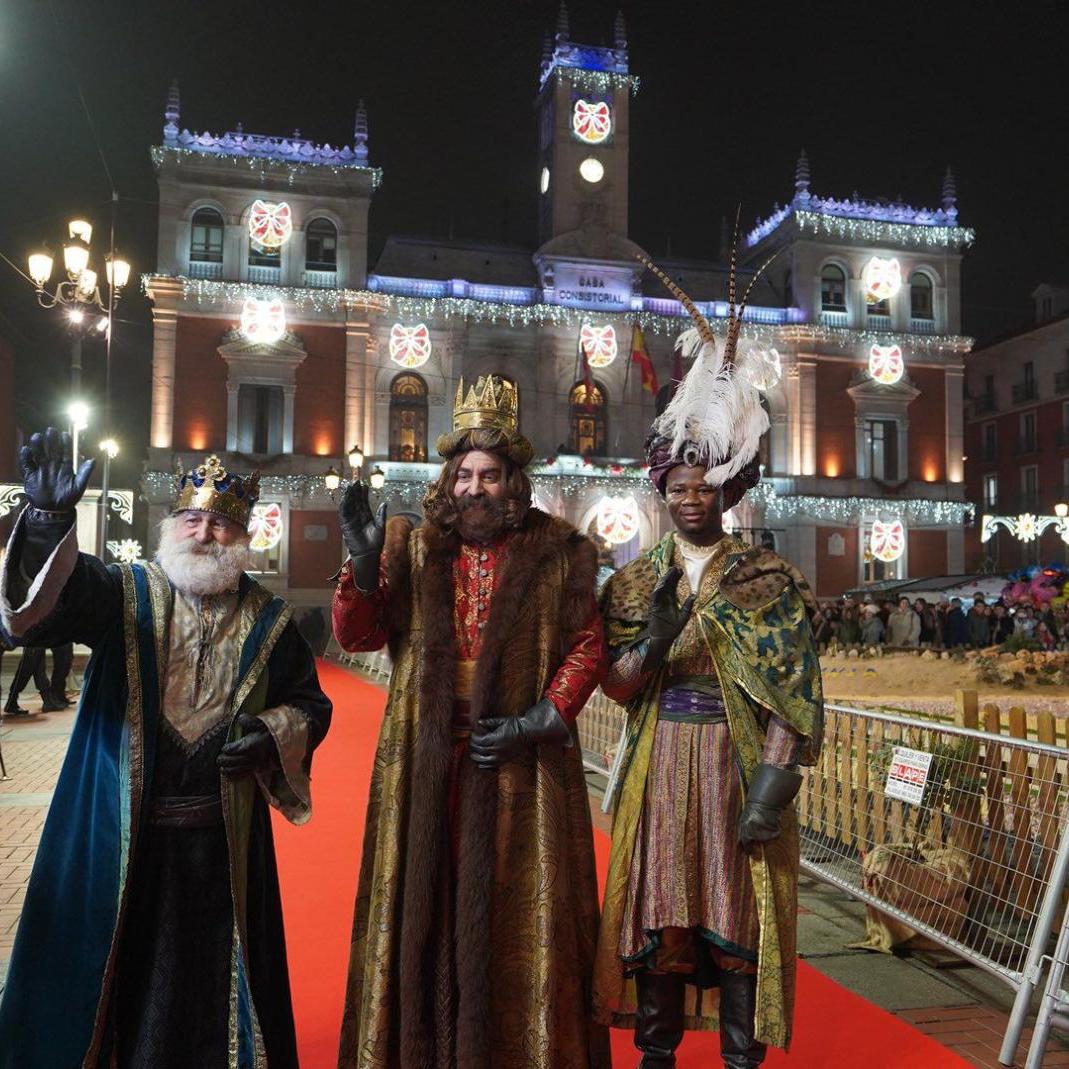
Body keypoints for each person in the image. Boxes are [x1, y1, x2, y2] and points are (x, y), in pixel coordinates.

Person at [0, 431, 332, 1069]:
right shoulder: (124, 593)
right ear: (171, 526)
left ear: (243, 538)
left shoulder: (272, 619)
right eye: (192, 518)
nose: (205, 533)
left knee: (213, 984)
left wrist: (271, 734)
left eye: (220, 525)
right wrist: (46, 523)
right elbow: (46, 612)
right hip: (123, 837)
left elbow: (310, 704)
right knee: (117, 970)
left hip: (221, 843)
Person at [333, 376, 610, 1069]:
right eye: (463, 474)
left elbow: (588, 641)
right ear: (447, 478)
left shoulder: (560, 550)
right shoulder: (413, 547)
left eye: (489, 475)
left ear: (513, 480)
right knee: (423, 908)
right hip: (424, 759)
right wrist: (364, 566)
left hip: (520, 763)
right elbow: (358, 635)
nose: (475, 488)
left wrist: (544, 716)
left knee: (519, 915)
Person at [592, 266, 823, 1068]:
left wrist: (771, 787)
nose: (691, 498)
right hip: (659, 764)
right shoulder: (629, 581)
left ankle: (737, 1058)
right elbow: (615, 686)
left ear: (727, 488)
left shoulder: (768, 579)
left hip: (734, 767)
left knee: (737, 926)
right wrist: (651, 641)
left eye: (705, 486)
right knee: (661, 922)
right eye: (679, 486)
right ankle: (655, 1056)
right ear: (663, 489)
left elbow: (795, 697)